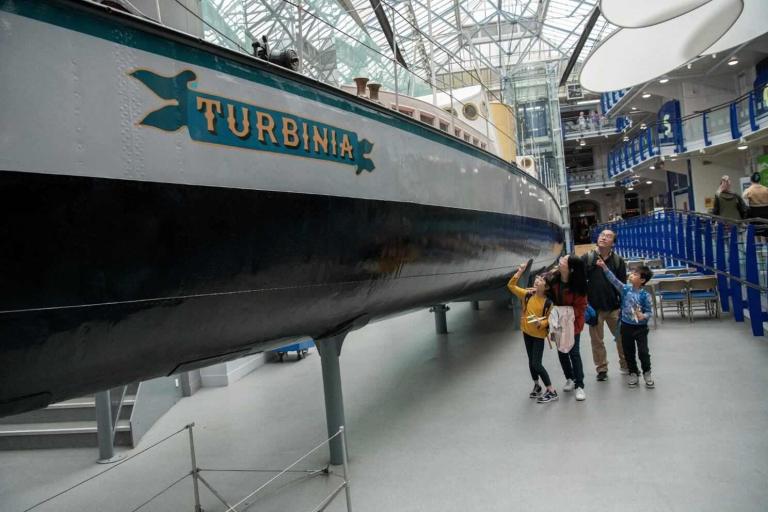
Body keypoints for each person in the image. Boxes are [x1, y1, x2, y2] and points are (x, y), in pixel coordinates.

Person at [596, 259, 655, 388]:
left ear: (642, 280)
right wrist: (604, 267)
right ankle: (633, 373)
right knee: (628, 352)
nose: (631, 275)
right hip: (626, 327)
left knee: (643, 352)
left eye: (635, 274)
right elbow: (614, 280)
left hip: (641, 329)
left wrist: (643, 316)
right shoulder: (625, 289)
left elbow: (649, 312)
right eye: (632, 273)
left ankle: (647, 372)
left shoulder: (645, 295)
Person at [582, 229, 628, 381]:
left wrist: (624, 307)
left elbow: (622, 286)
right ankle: (602, 369)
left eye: (608, 236)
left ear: (613, 243)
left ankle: (626, 364)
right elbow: (580, 281)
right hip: (594, 309)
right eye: (602, 235)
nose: (603, 237)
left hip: (614, 307)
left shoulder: (618, 261)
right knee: (597, 341)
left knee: (622, 338)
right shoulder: (588, 258)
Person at [507, 264, 557, 403]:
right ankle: (537, 385)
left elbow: (550, 319)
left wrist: (542, 323)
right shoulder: (527, 295)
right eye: (537, 278)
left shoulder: (548, 303)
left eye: (541, 280)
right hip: (526, 332)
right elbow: (511, 286)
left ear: (546, 287)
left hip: (538, 336)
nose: (537, 280)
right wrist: (519, 272)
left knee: (536, 363)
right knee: (531, 361)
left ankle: (551, 390)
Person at [546, 255, 588, 401]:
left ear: (570, 269)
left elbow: (580, 308)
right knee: (561, 352)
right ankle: (570, 378)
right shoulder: (554, 278)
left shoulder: (579, 286)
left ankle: (579, 385)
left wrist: (561, 312)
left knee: (574, 353)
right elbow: (546, 291)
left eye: (565, 260)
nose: (561, 260)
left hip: (573, 324)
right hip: (557, 323)